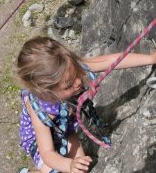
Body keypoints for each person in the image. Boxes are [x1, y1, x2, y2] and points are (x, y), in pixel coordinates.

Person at [16, 36, 156, 173]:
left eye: (77, 73)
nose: (78, 82)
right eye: (69, 85)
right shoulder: (39, 111)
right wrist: (69, 165)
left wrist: (150, 58)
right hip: (39, 143)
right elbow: (47, 152)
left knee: (81, 170)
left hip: (65, 129)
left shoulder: (68, 68)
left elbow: (111, 61)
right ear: (46, 91)